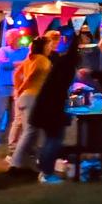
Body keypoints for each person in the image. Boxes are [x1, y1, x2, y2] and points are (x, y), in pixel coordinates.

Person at [29, 37, 80, 184]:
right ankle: (47, 173)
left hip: (47, 108)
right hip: (51, 110)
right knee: (54, 140)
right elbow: (60, 90)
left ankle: (44, 171)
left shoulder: (60, 65)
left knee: (50, 140)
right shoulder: (66, 68)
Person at [8, 38, 52, 172]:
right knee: (30, 131)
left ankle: (27, 163)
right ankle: (16, 163)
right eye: (49, 46)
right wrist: (21, 88)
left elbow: (16, 73)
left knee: (30, 132)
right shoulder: (43, 60)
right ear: (43, 47)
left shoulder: (30, 59)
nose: (50, 48)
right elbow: (32, 76)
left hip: (25, 97)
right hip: (32, 97)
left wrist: (18, 89)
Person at [0, 28, 29, 145]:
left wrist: (15, 63)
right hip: (3, 85)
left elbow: (28, 63)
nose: (9, 40)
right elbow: (3, 64)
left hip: (19, 86)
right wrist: (19, 63)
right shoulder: (3, 50)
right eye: (8, 38)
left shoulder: (25, 50)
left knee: (16, 116)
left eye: (12, 37)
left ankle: (11, 140)